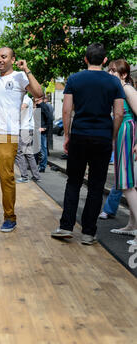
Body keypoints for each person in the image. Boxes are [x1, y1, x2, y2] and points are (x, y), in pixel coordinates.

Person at [51, 43, 125, 245]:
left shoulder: (75, 79)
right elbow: (119, 113)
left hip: (79, 136)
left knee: (73, 182)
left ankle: (66, 226)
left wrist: (67, 135)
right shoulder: (114, 82)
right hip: (102, 137)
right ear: (104, 60)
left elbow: (66, 111)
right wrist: (112, 136)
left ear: (85, 59)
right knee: (96, 186)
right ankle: (88, 233)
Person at [0, 47, 43, 232]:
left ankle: (10, 217)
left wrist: (27, 69)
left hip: (8, 136)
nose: (0, 60)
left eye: (4, 57)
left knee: (6, 178)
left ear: (12, 59)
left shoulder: (19, 76)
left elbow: (39, 93)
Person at [106, 60, 137, 245]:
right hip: (122, 132)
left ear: (123, 74)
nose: (110, 74)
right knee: (125, 180)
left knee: (126, 182)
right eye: (108, 70)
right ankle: (132, 225)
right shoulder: (120, 89)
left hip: (125, 131)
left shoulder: (127, 89)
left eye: (113, 71)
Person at [15, 93, 41, 183]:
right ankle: (36, 176)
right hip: (26, 128)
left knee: (19, 153)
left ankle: (24, 176)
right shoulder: (25, 98)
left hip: (24, 129)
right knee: (29, 154)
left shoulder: (25, 98)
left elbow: (23, 107)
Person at [34, 94, 52, 172]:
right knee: (38, 149)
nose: (34, 98)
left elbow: (49, 118)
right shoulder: (38, 106)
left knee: (43, 149)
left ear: (39, 98)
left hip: (41, 131)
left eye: (35, 96)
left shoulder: (43, 106)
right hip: (37, 130)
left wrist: (44, 128)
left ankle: (42, 167)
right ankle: (37, 165)